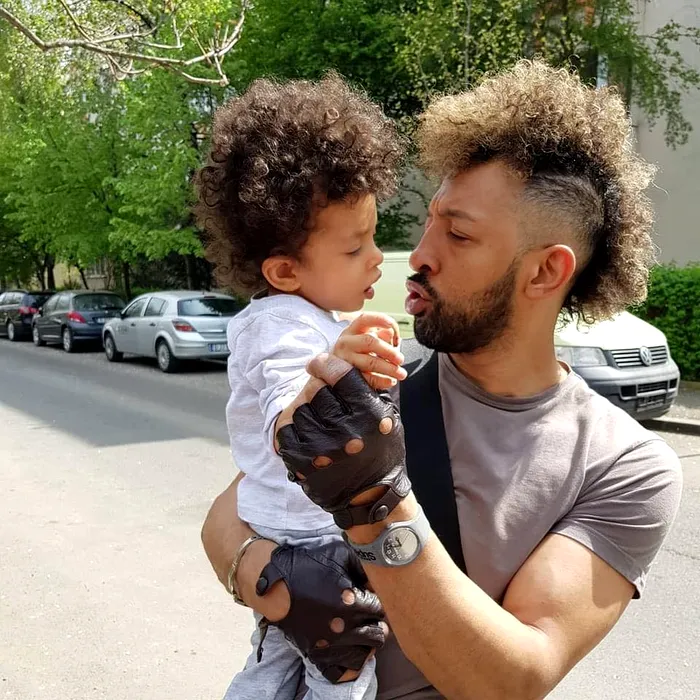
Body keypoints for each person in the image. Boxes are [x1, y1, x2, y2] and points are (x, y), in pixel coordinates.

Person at [201, 60, 683, 700]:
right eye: (431, 221)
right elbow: (227, 516)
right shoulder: (371, 376)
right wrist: (282, 587)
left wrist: (373, 502)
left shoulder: (623, 466)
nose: (420, 255)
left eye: (457, 234)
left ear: (545, 272)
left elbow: (511, 679)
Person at [193, 74, 408, 700]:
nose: (377, 257)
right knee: (342, 671)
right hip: (307, 539)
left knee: (273, 663)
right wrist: (333, 369)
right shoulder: (281, 324)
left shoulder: (307, 317)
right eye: (355, 247)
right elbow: (287, 423)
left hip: (286, 531)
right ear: (286, 270)